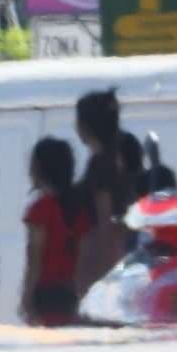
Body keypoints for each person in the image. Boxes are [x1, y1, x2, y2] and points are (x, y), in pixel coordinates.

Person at [69, 87, 146, 293]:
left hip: (107, 246)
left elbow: (105, 214)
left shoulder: (103, 163)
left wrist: (103, 272)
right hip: (126, 240)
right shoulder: (125, 146)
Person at [19, 136, 82, 324]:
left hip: (47, 291)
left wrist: (27, 296)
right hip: (72, 288)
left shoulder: (40, 209)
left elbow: (35, 256)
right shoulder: (80, 207)